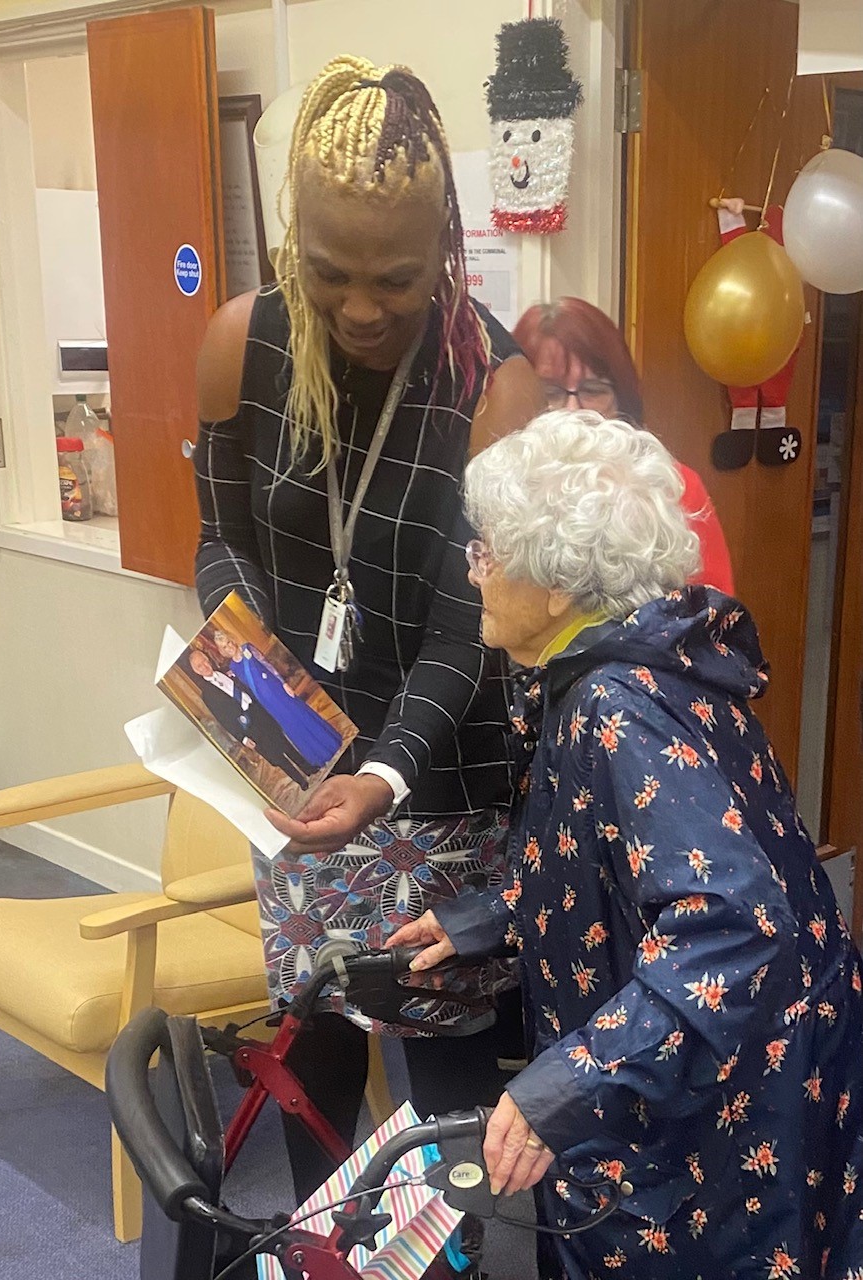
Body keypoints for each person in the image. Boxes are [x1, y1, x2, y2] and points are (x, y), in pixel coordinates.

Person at [389, 411, 863, 1279]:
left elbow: (735, 929)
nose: (472, 569)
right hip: (751, 1058)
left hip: (720, 1103)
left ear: (559, 581)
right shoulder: (647, 666)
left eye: (488, 549)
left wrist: (563, 1087)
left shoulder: (618, 706)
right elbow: (616, 862)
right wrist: (483, 918)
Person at [193, 55, 544, 1203]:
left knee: (443, 1101)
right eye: (330, 271)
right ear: (294, 241)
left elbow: (470, 624)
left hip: (438, 787)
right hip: (297, 768)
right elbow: (221, 541)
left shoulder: (493, 382)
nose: (360, 307)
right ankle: (318, 1250)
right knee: (317, 1052)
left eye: (395, 277)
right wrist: (259, 700)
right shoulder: (241, 342)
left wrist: (382, 773)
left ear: (445, 246)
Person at [513, 297, 735, 596]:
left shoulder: (673, 489)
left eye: (593, 390)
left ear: (622, 398)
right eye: (550, 392)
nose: (573, 411)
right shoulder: (500, 493)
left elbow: (713, 622)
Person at [187, 649, 317, 788]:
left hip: (258, 712)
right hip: (248, 727)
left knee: (283, 741)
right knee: (276, 755)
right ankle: (301, 781)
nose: (205, 666)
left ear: (208, 658)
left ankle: (308, 768)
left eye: (204, 661)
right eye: (199, 666)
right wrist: (242, 738)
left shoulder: (226, 670)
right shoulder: (207, 695)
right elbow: (223, 720)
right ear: (196, 671)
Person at [213, 631, 343, 769]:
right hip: (265, 702)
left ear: (232, 640)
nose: (229, 647)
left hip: (277, 690)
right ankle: (318, 755)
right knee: (290, 725)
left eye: (228, 642)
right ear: (223, 651)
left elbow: (268, 665)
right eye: (225, 647)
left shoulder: (248, 648)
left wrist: (284, 683)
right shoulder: (233, 667)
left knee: (300, 714)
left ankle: (328, 743)